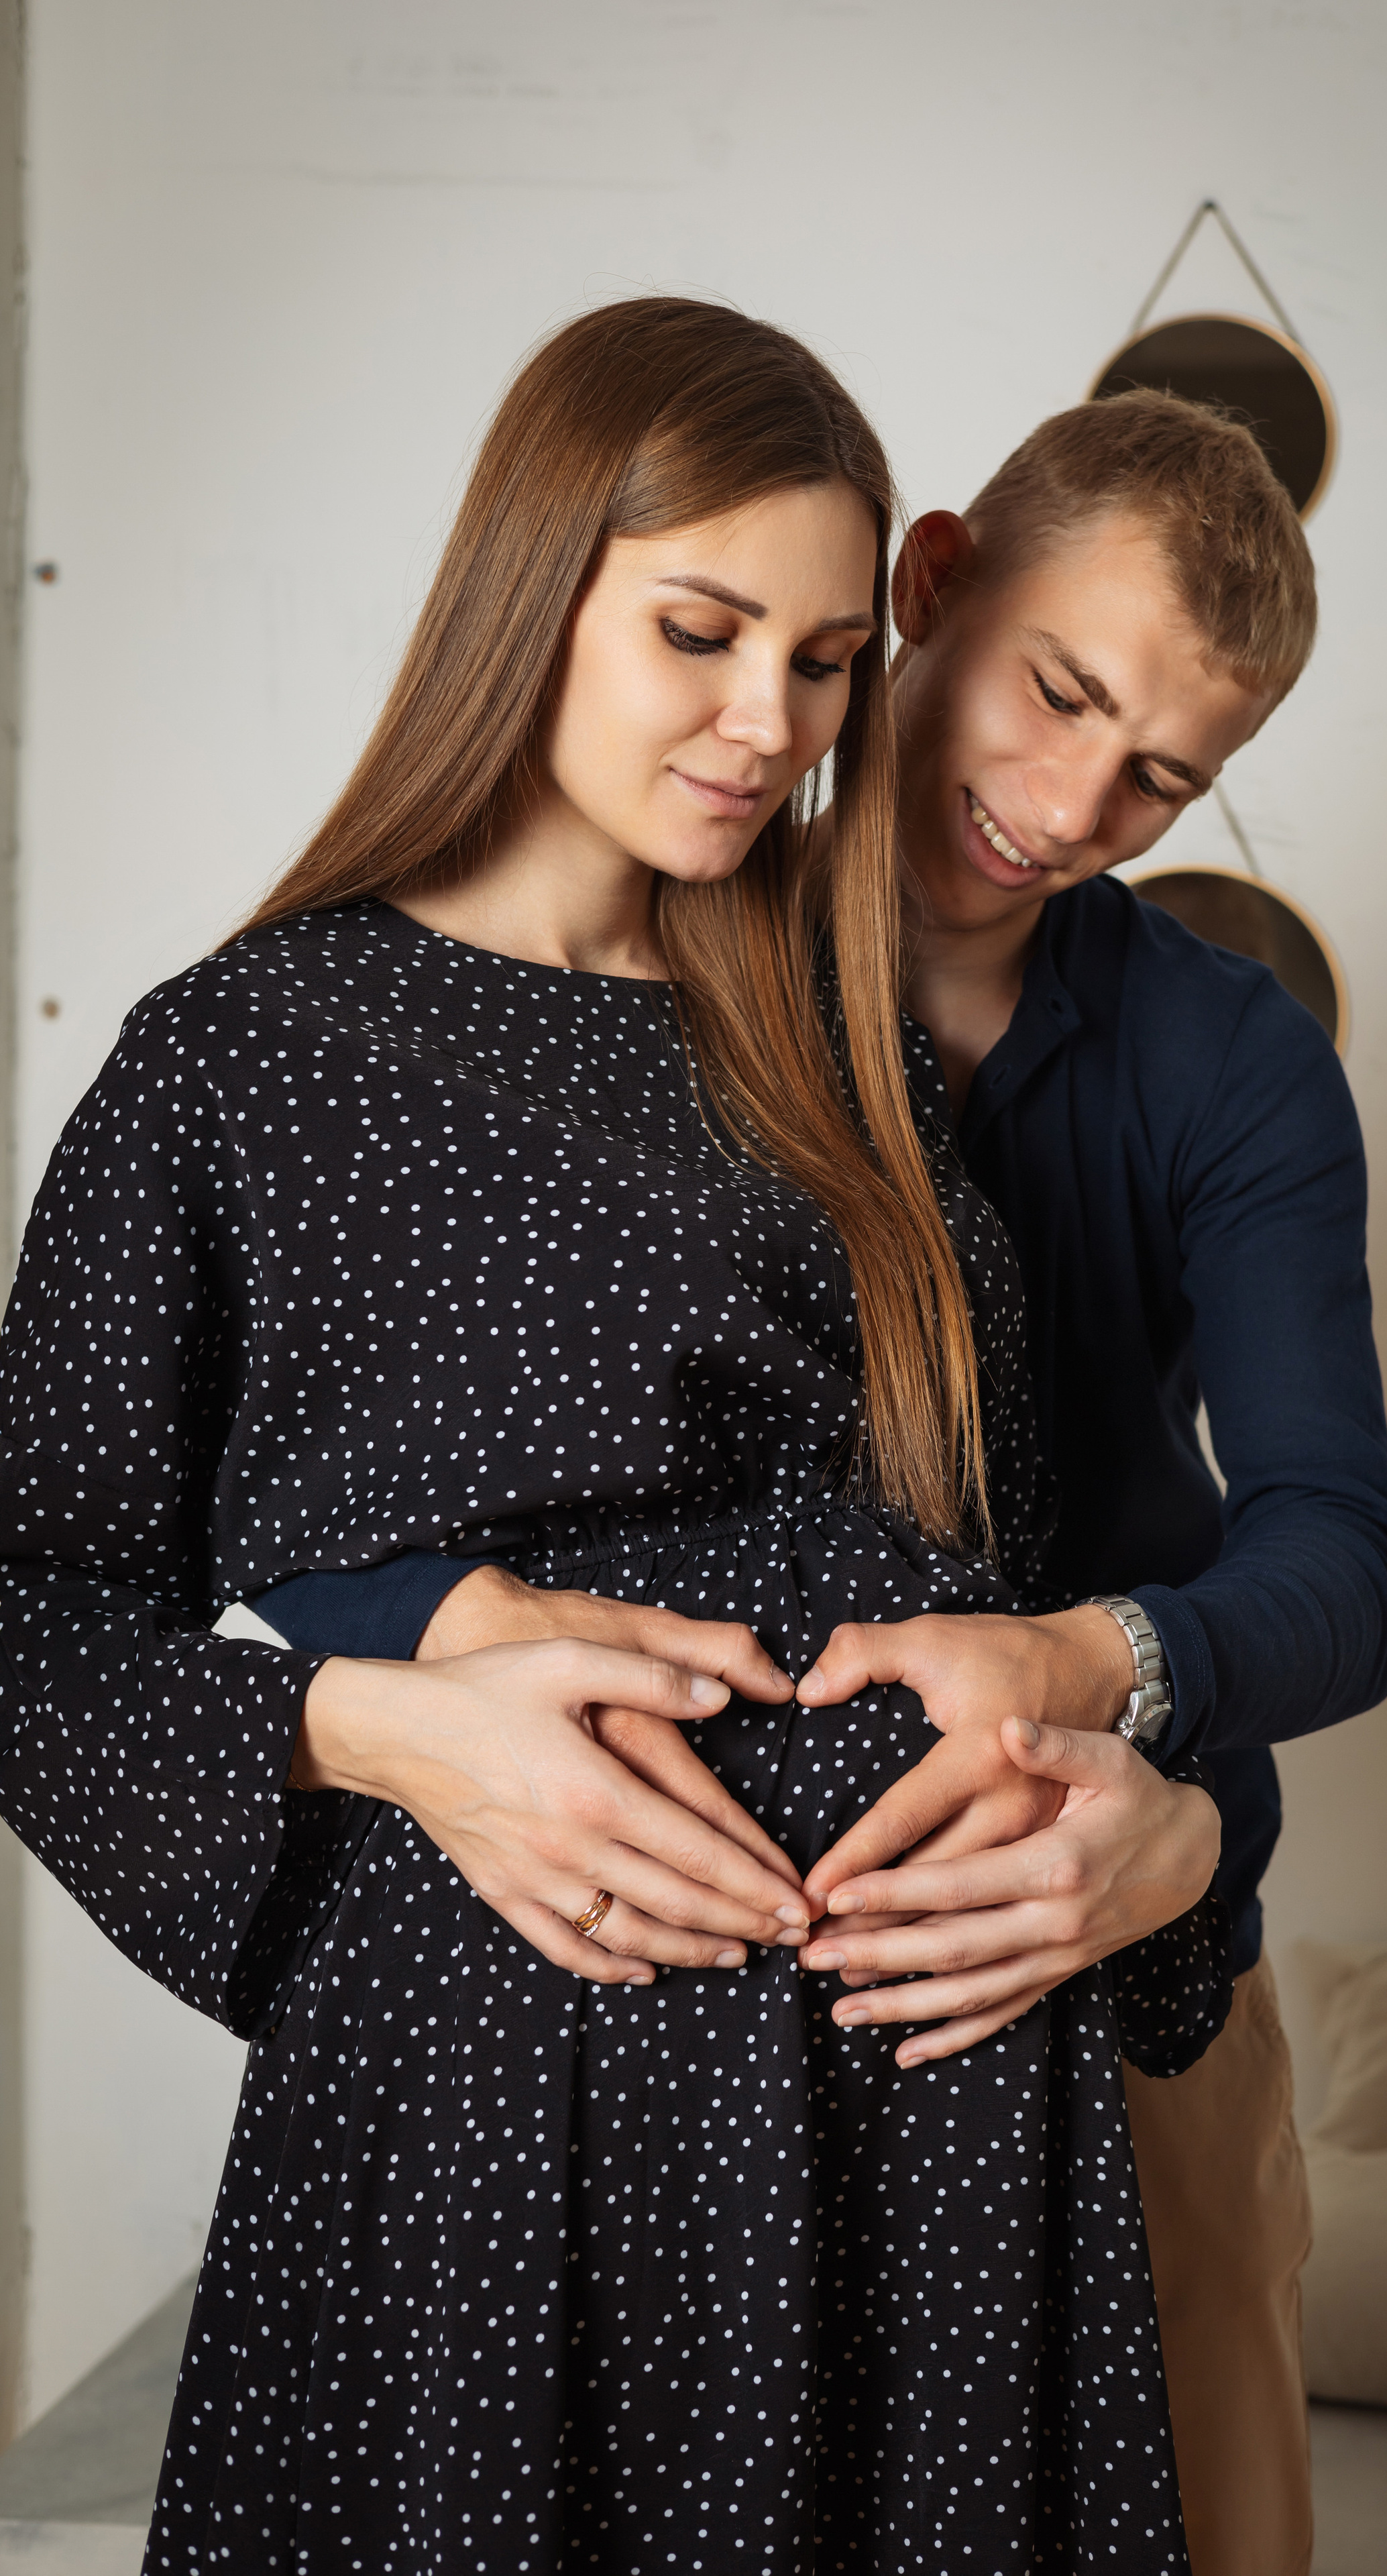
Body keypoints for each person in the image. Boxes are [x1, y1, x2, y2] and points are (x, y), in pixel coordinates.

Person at [0, 299, 1230, 2571]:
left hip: (942, 2121)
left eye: (832, 660)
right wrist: (374, 1727)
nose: (770, 724)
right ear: (535, 587)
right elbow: (28, 1618)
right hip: (509, 2111)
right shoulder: (241, 1060)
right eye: (702, 630)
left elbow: (1028, 1579)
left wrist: (1166, 1841)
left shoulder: (850, 1049)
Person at [289, 388, 1387, 2576]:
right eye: (1057, 691)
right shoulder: (604, 952)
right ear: (930, 589)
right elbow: (336, 1483)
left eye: (1164, 775)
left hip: (1096, 1917)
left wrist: (1114, 1692)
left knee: (1215, 2509)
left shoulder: (1235, 1061)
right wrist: (462, 1670)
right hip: (642, 1965)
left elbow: (1344, 1554)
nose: (1072, 802)